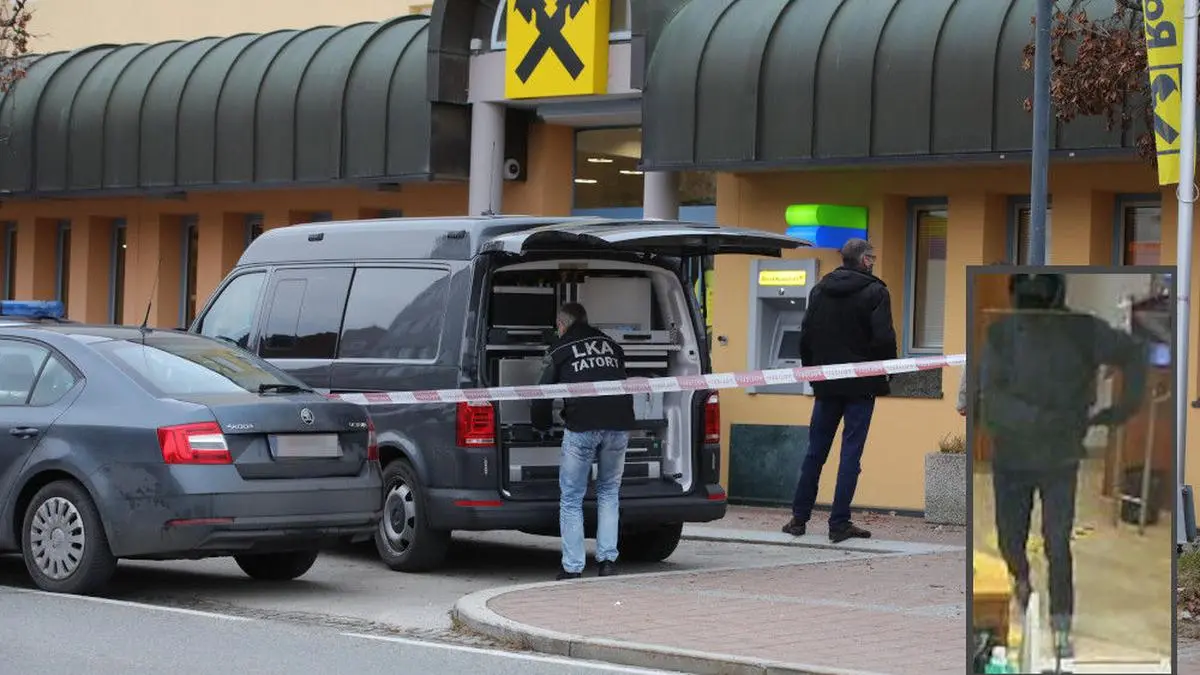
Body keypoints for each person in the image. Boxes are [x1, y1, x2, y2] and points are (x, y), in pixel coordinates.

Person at [980, 273, 1148, 661]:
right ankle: (1021, 580)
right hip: (1013, 456)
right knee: (1010, 540)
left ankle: (1060, 623)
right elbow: (994, 399)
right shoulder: (1003, 334)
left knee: (1057, 542)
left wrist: (1120, 411)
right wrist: (1047, 419)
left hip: (1060, 457)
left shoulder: (1082, 330)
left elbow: (1133, 352)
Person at [782, 238, 897, 543]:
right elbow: (884, 339)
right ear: (865, 261)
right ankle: (839, 523)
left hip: (826, 383)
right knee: (850, 454)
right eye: (872, 257)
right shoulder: (876, 292)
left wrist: (813, 374)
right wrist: (883, 373)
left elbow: (805, 334)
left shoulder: (820, 290)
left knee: (815, 451)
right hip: (861, 385)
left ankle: (798, 518)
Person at [531, 302, 637, 580]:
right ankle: (607, 562)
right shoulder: (612, 346)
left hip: (583, 426)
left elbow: (542, 394)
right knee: (609, 492)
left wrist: (540, 426)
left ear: (562, 324)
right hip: (619, 426)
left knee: (571, 498)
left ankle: (573, 567)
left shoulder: (561, 348)